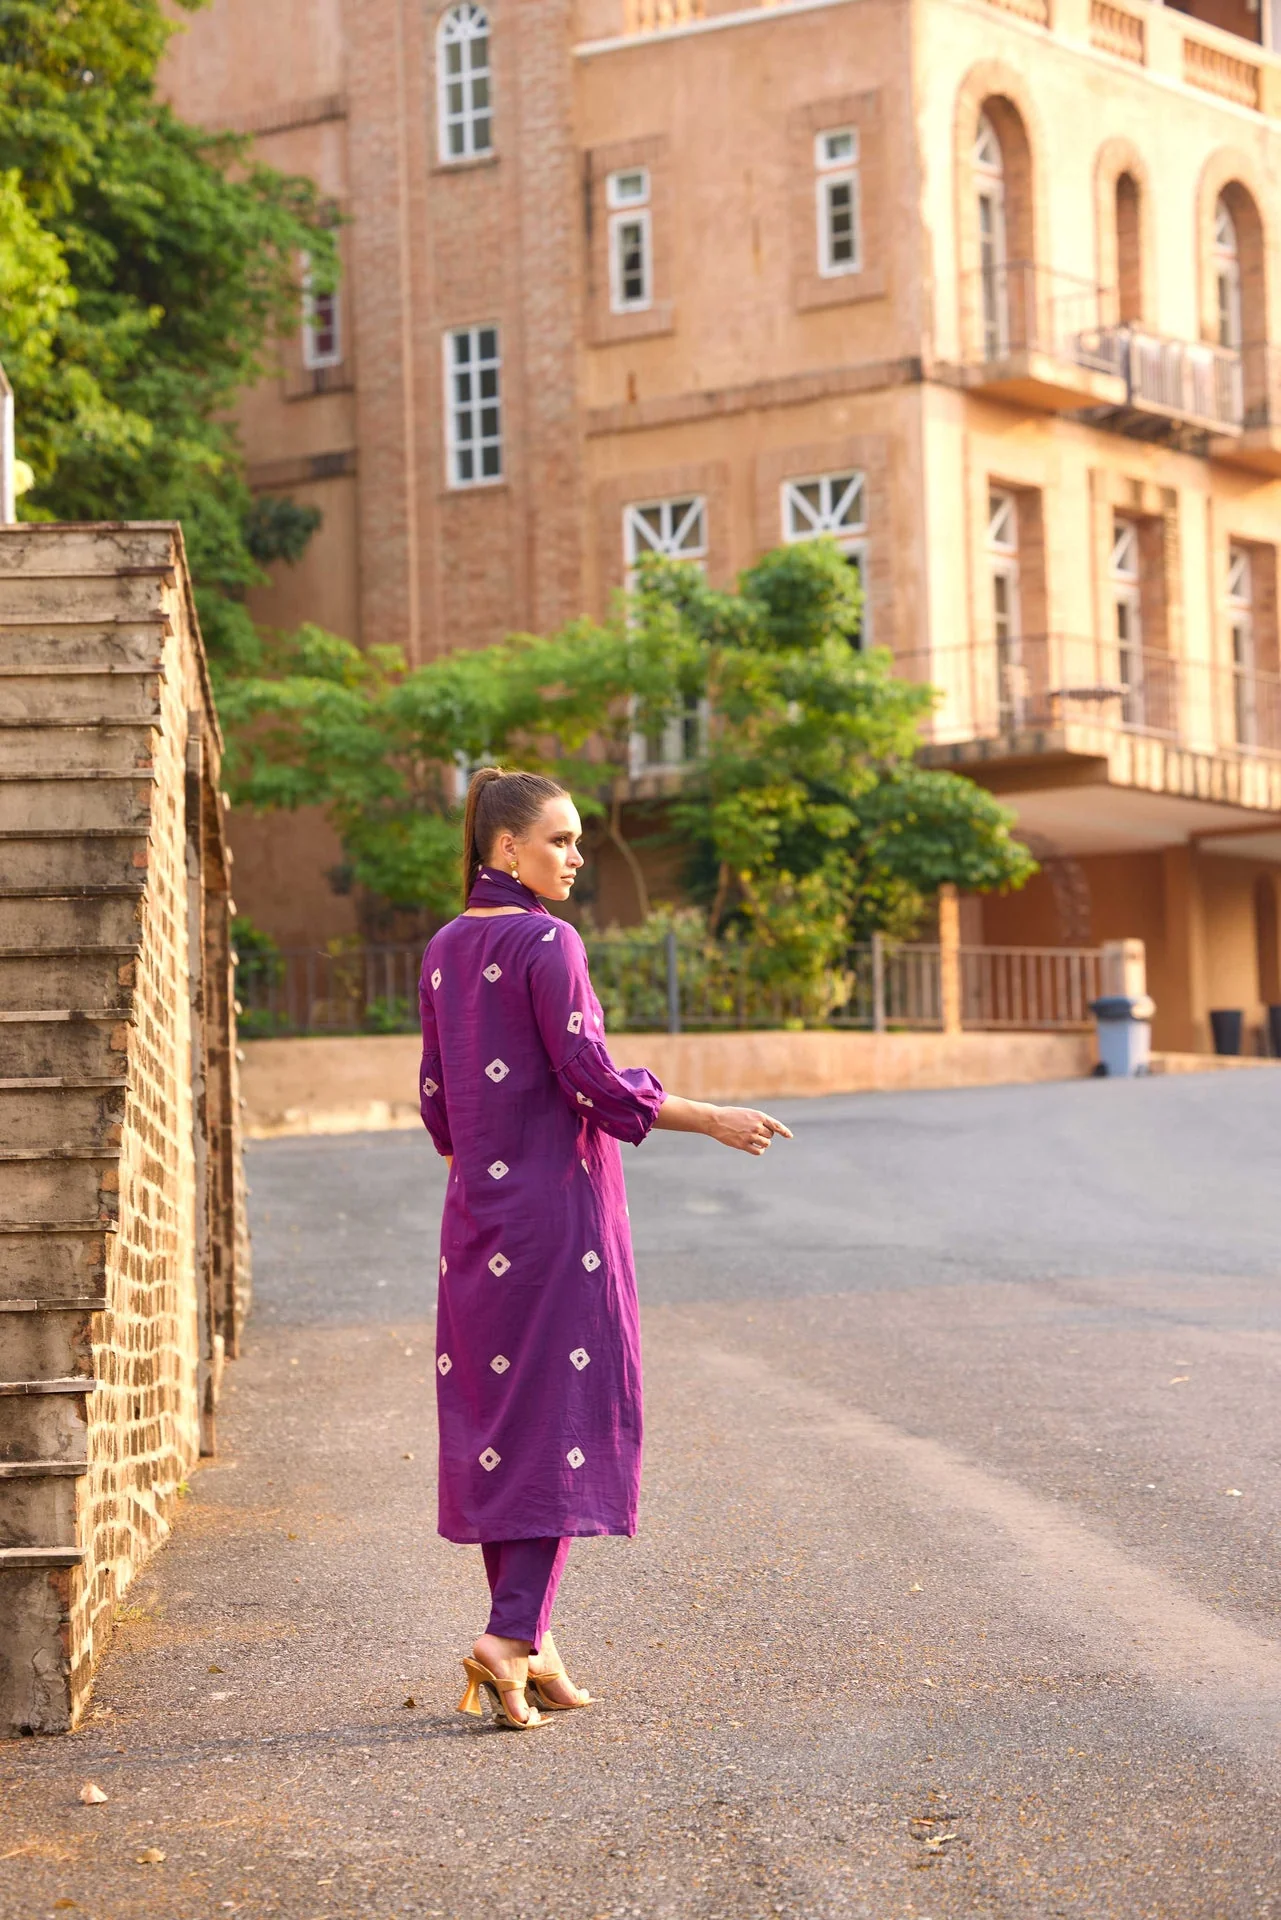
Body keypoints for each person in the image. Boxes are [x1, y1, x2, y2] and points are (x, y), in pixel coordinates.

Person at [418, 767, 792, 1730]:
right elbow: (587, 1075)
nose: (576, 857)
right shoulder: (548, 940)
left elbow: (437, 1104)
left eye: (578, 841)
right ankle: (505, 1639)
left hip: (479, 1216)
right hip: (558, 1220)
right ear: (506, 848)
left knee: (509, 1419)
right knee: (561, 1418)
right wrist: (708, 1116)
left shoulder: (445, 949)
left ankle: (532, 1646)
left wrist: (493, 1164)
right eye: (559, 841)